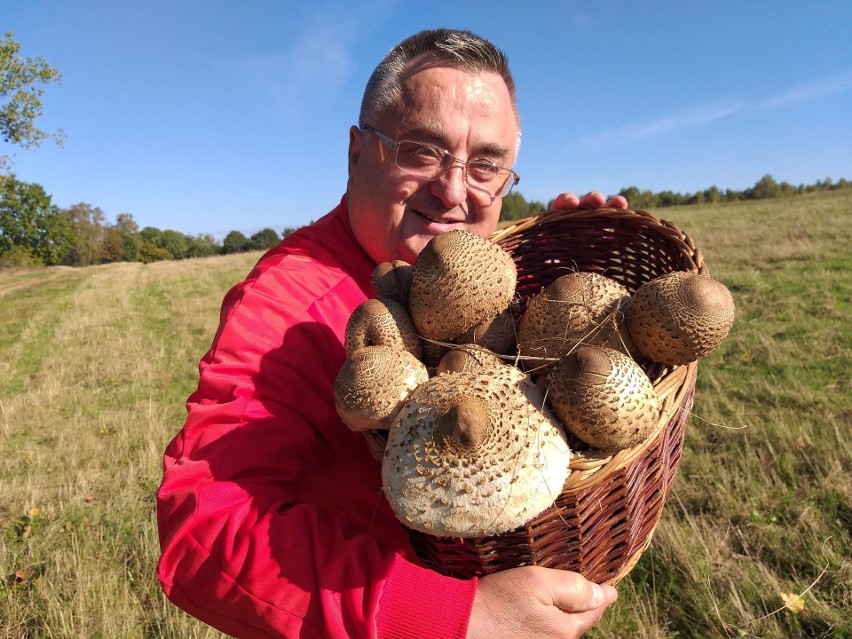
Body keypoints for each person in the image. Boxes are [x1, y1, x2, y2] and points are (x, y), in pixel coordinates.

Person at [157, 28, 626, 639]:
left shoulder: (482, 270)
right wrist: (448, 618)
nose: (455, 191)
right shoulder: (288, 308)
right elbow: (204, 530)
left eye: (486, 164)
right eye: (421, 151)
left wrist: (575, 288)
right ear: (357, 154)